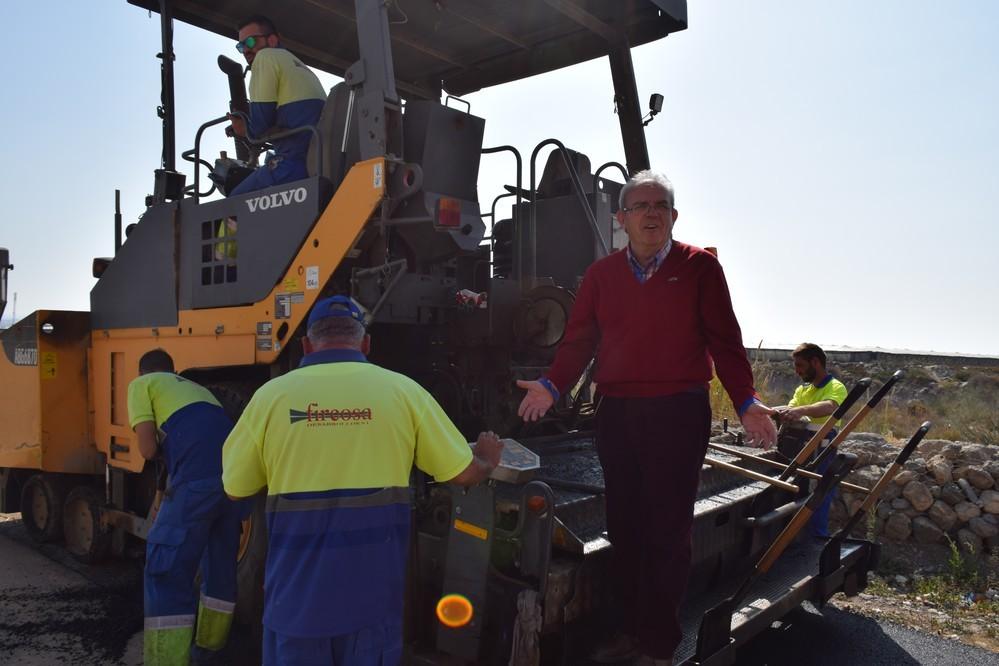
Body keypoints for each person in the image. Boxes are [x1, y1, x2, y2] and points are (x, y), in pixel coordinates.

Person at [516, 170, 777, 666]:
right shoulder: (601, 276)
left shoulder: (699, 268)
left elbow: (725, 340)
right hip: (616, 412)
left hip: (677, 410)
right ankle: (629, 633)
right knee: (626, 528)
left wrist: (745, 402)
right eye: (640, 206)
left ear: (674, 216)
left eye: (660, 205)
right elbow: (578, 342)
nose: (651, 213)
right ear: (621, 219)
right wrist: (552, 385)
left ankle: (658, 644)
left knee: (667, 529)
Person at [221, 295, 504, 664]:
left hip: (295, 610)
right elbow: (463, 474)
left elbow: (235, 488)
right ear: (366, 343)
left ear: (307, 344)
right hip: (372, 610)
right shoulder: (404, 393)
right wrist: (486, 458)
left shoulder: (269, 399)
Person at [127, 349, 243, 665]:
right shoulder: (199, 390)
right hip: (233, 483)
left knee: (165, 568)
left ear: (143, 372)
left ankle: (166, 660)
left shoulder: (142, 385)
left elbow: (148, 449)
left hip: (195, 485)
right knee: (219, 566)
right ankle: (210, 651)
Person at [228, 15, 326, 196]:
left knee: (232, 203)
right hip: (313, 160)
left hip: (290, 165)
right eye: (241, 46)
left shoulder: (265, 58)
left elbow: (258, 129)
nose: (246, 50)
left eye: (250, 41)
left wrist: (243, 129)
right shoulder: (299, 66)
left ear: (272, 40)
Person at [772, 342, 848, 537]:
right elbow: (791, 409)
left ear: (815, 362)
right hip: (795, 447)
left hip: (822, 449)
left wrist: (800, 410)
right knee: (794, 491)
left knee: (820, 492)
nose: (797, 371)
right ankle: (790, 536)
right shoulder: (802, 389)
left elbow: (830, 406)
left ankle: (816, 538)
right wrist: (775, 412)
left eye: (800, 366)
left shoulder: (835, 386)